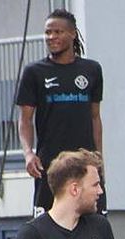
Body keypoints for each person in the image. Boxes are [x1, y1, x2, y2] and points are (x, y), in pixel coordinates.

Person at [18, 9, 105, 216]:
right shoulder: (34, 72)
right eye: (48, 32)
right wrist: (28, 153)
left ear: (72, 33)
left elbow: (95, 117)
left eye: (58, 32)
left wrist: (99, 159)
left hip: (84, 163)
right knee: (48, 224)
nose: (51, 37)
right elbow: (25, 121)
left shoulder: (92, 70)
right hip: (50, 165)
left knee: (93, 224)